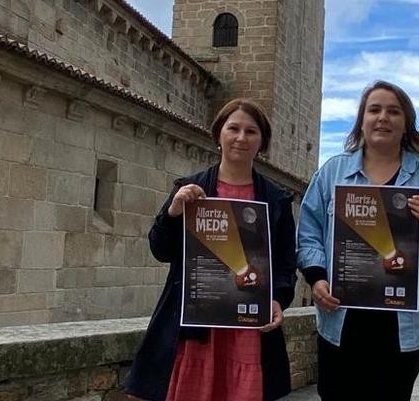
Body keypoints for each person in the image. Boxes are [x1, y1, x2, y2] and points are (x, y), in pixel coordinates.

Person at [297, 80, 419, 401]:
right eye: (374, 110)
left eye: (393, 111)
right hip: (341, 317)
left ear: (406, 124)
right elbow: (308, 233)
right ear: (362, 121)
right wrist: (316, 279)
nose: (383, 117)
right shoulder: (332, 172)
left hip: (404, 325)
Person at [125, 98, 297, 401]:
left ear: (262, 141)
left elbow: (285, 262)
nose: (241, 138)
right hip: (196, 326)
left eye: (251, 131)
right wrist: (173, 212)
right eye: (233, 128)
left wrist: (279, 299)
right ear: (219, 134)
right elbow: (160, 249)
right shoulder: (189, 188)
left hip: (248, 325)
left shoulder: (276, 198)